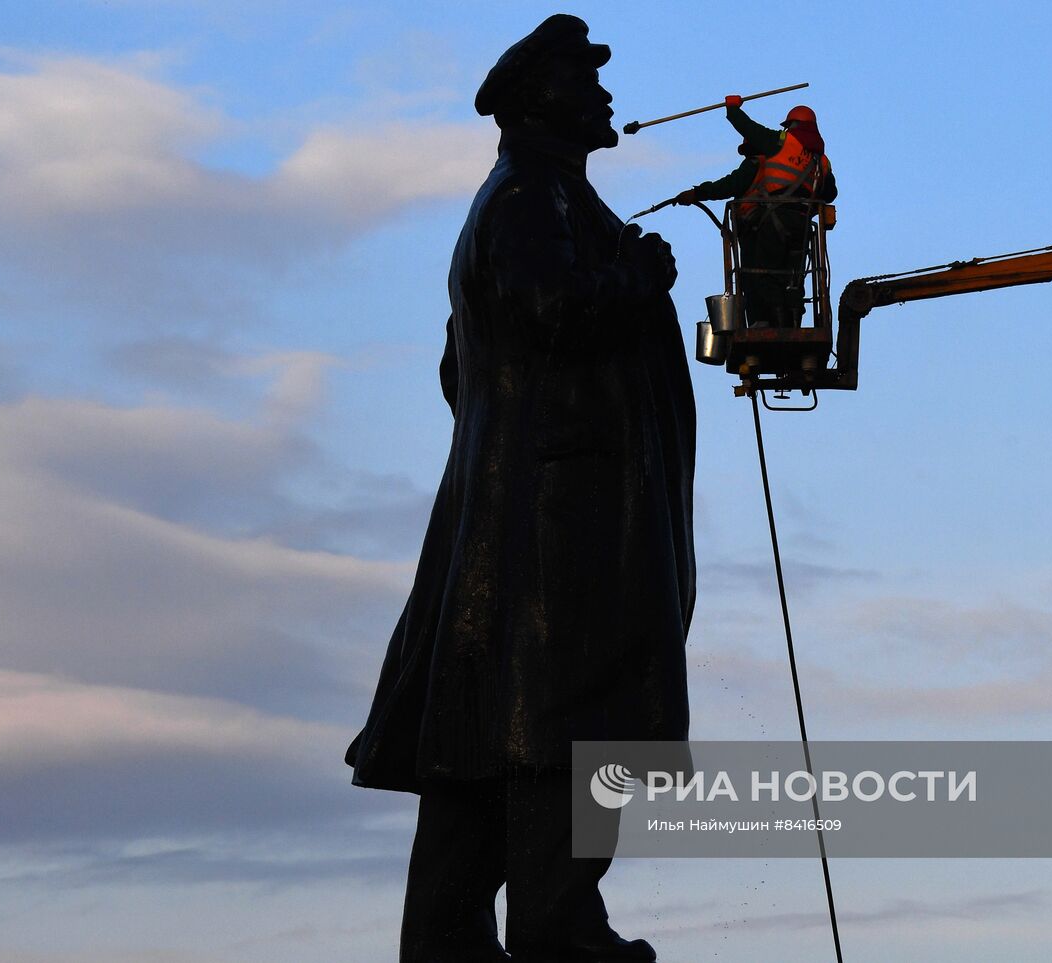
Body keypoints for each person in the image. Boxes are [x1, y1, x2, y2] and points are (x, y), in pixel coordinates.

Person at [344, 15, 695, 963]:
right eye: (588, 80)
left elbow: (463, 371)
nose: (606, 95)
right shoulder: (531, 201)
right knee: (570, 720)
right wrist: (640, 271)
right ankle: (558, 926)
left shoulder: (529, 200)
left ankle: (454, 934)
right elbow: (550, 312)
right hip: (563, 532)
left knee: (487, 741)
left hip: (524, 517)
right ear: (544, 99)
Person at [675, 98, 837, 328]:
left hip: (774, 220)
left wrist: (732, 110)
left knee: (763, 272)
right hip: (802, 225)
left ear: (793, 125)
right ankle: (791, 322)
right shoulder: (822, 161)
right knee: (793, 277)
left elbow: (749, 131)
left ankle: (770, 321)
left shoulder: (780, 144)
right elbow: (830, 193)